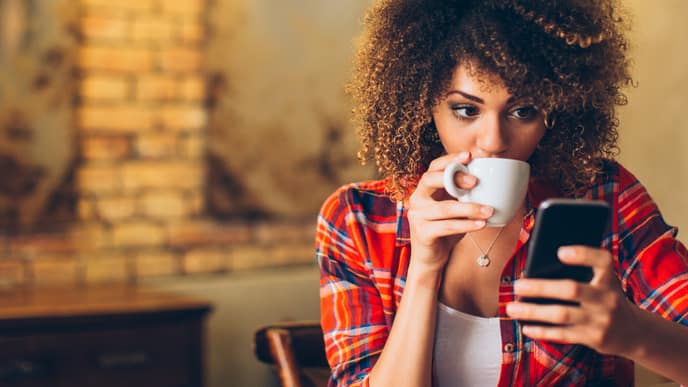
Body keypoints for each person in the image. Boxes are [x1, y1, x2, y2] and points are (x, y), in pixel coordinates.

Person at [316, 0, 688, 386]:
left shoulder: (601, 196)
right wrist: (424, 269)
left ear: (557, 108)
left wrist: (635, 333)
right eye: (465, 110)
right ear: (423, 101)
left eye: (522, 111)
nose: (494, 141)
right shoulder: (357, 219)